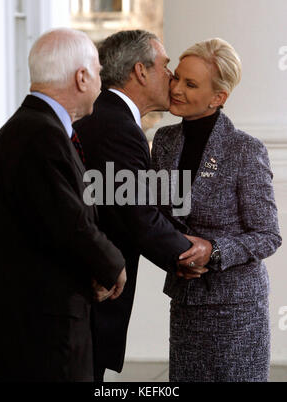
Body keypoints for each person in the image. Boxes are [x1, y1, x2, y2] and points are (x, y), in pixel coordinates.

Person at [0, 28, 127, 382]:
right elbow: (69, 222)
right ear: (81, 77)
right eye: (97, 72)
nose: (100, 81)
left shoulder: (30, 127)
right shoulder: (40, 133)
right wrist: (113, 265)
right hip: (45, 325)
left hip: (37, 317)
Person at [74, 30, 208, 381]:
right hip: (93, 290)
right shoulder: (115, 125)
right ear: (140, 71)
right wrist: (189, 253)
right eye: (166, 66)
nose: (172, 77)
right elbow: (138, 214)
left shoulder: (109, 117)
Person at [151, 38, 282, 382]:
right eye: (176, 77)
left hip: (236, 311)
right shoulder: (164, 141)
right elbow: (156, 215)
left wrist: (213, 250)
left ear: (218, 98)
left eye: (190, 84)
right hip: (185, 302)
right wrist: (171, 253)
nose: (176, 88)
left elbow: (268, 235)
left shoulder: (245, 150)